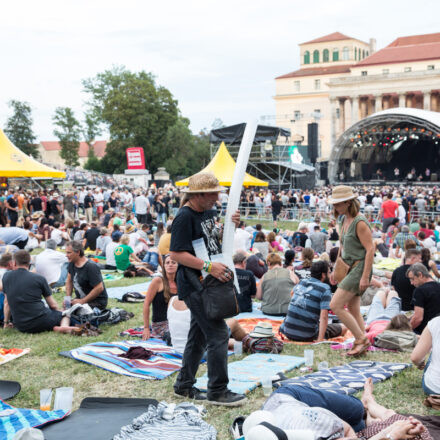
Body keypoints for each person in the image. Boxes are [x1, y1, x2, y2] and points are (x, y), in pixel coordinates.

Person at [169, 172, 246, 406]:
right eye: (213, 193)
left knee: (199, 335)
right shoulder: (184, 217)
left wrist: (231, 227)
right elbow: (176, 254)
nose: (216, 197)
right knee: (219, 333)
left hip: (206, 282)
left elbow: (213, 240)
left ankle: (183, 384)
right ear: (198, 195)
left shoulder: (210, 212)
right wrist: (208, 266)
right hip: (194, 285)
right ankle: (217, 390)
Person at [328, 185, 374, 356]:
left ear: (348, 202)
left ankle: (361, 339)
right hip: (347, 267)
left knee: (336, 305)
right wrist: (335, 268)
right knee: (353, 307)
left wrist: (364, 277)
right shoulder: (342, 219)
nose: (335, 207)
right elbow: (341, 246)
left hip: (359, 268)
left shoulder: (359, 222)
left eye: (337, 204)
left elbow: (370, 250)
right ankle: (363, 341)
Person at [2, 250, 79, 334]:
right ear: (29, 263)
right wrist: (59, 312)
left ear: (14, 263)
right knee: (66, 314)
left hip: (21, 325)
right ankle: (64, 327)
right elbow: (53, 305)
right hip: (42, 321)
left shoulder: (6, 277)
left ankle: (55, 328)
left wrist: (6, 323)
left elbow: (7, 303)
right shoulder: (39, 278)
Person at [280, 261, 345, 342]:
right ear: (323, 275)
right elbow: (324, 317)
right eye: (329, 272)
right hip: (307, 334)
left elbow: (292, 294)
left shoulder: (302, 281)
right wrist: (320, 339)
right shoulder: (325, 288)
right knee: (344, 327)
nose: (330, 275)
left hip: (287, 331)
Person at [141, 254, 178, 340]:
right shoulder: (158, 281)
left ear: (178, 265)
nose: (170, 264)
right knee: (174, 337)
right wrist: (146, 328)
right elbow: (146, 303)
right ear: (163, 266)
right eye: (167, 263)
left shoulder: (181, 282)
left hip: (176, 321)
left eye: (173, 262)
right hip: (160, 325)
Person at [65, 241, 108, 310]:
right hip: (82, 300)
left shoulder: (91, 266)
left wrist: (83, 301)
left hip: (97, 302)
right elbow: (69, 282)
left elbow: (99, 287)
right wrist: (67, 300)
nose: (66, 255)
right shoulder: (71, 263)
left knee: (74, 314)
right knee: (64, 312)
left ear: (78, 252)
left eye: (69, 252)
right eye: (66, 252)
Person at [407, 262, 440, 335]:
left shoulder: (420, 291)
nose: (411, 283)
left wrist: (405, 331)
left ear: (420, 275)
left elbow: (418, 319)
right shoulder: (438, 285)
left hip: (425, 331)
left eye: (412, 279)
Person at [411, 315, 440, 395]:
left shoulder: (435, 322)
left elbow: (415, 358)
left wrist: (420, 363)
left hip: (434, 388)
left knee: (434, 351)